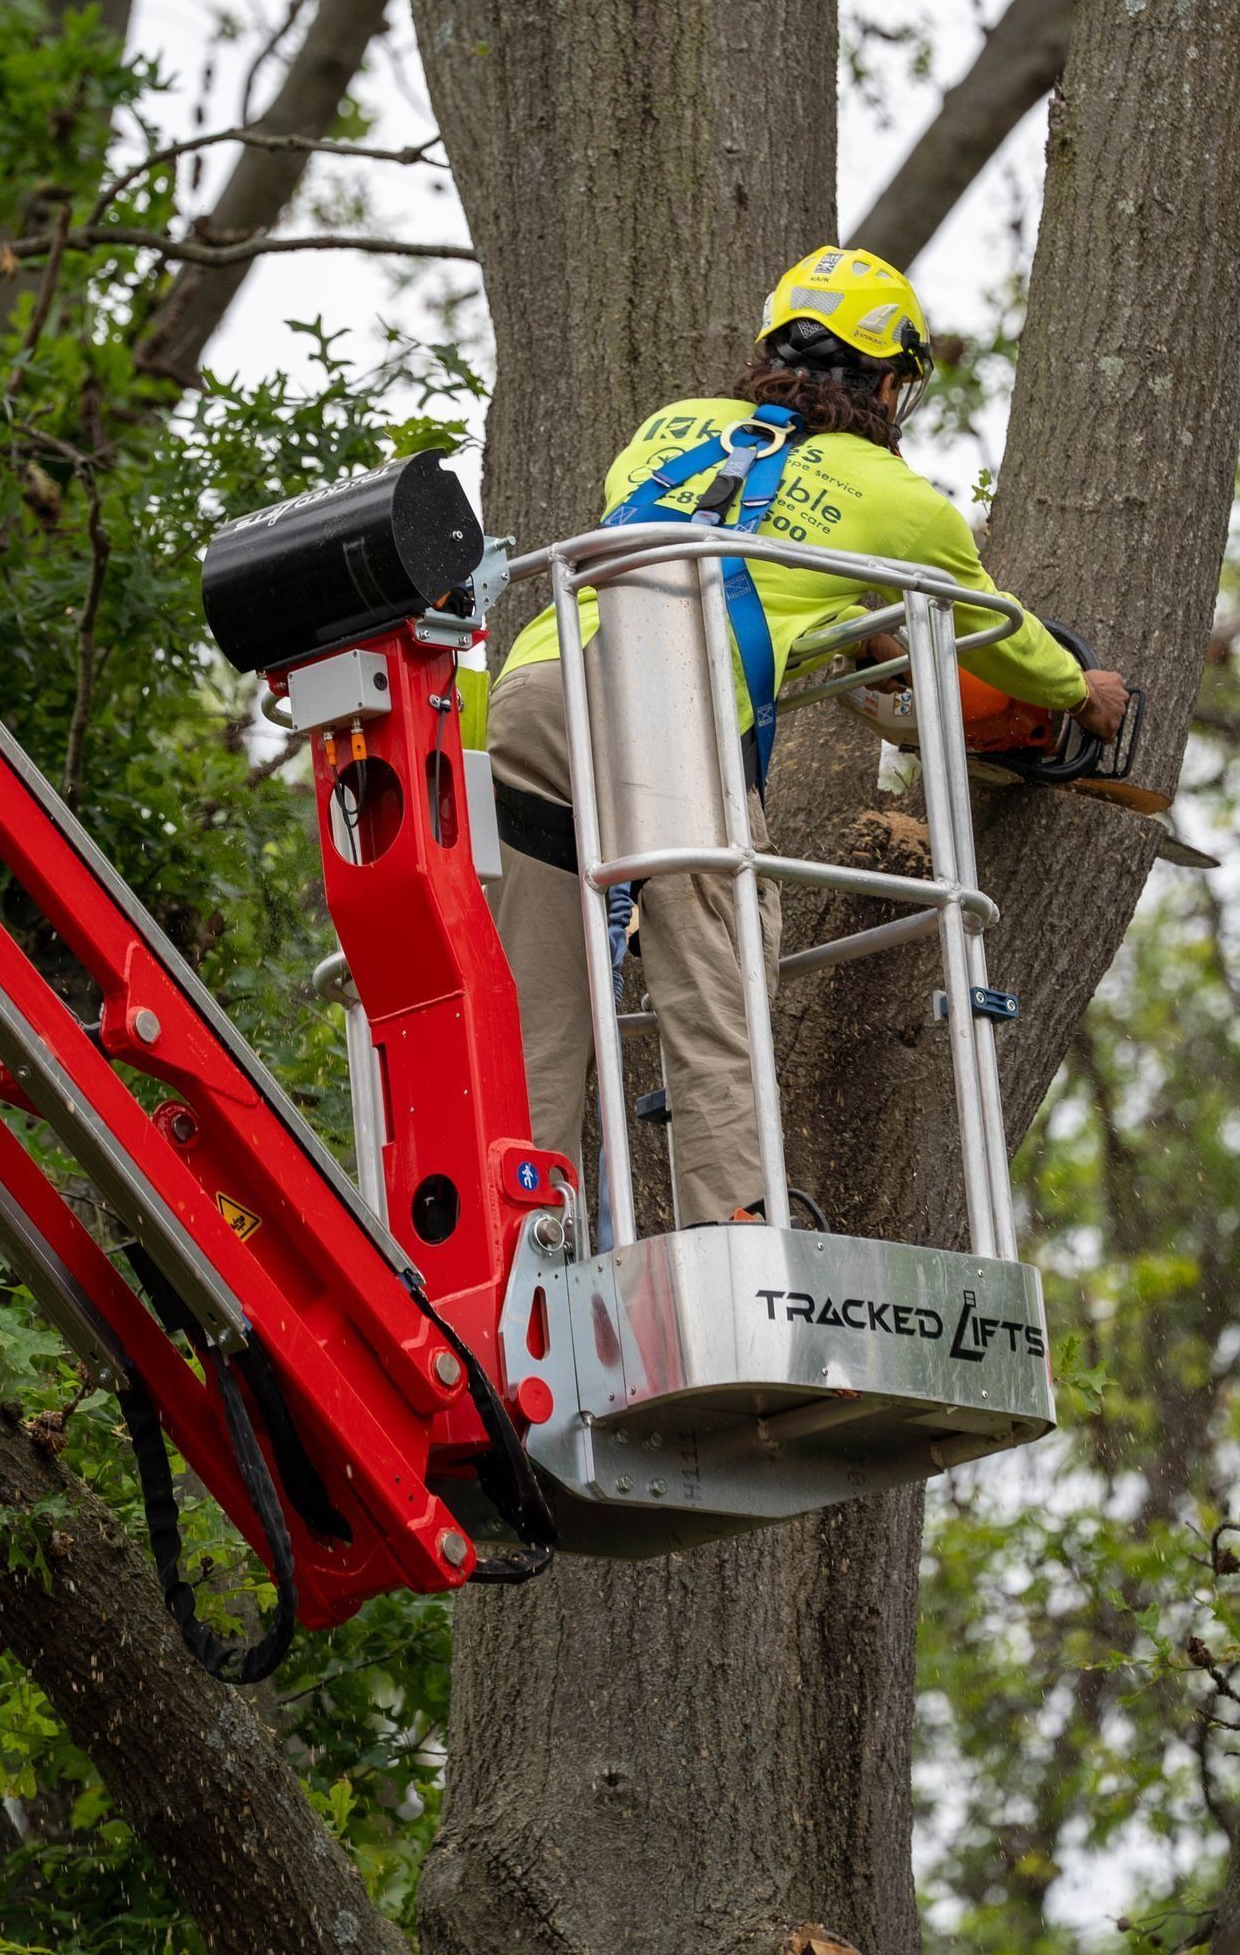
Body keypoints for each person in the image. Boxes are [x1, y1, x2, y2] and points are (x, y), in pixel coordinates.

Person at [483, 247, 1129, 1224]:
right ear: (887, 379)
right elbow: (1001, 637)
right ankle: (735, 1232)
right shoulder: (899, 500)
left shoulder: (669, 428)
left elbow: (732, 527)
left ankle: (514, 1238)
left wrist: (844, 627)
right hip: (661, 710)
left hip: (537, 688)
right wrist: (1084, 693)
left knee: (538, 996)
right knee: (716, 979)